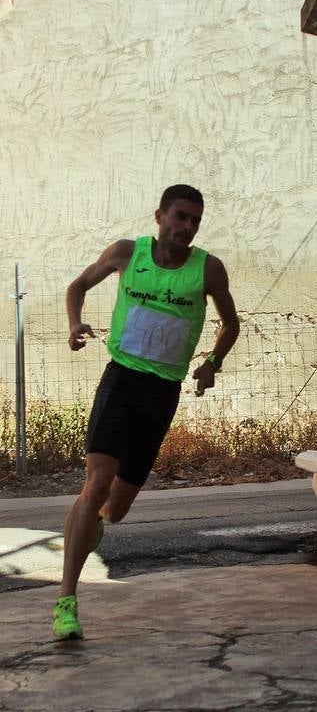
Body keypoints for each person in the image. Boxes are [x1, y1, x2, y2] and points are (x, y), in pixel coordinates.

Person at [52, 184, 240, 640]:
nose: (187, 227)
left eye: (195, 220)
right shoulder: (125, 253)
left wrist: (212, 363)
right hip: (121, 380)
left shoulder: (208, 269)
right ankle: (66, 600)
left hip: (162, 392)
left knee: (116, 509)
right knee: (96, 482)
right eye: (180, 217)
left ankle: (94, 523)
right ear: (159, 216)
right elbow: (78, 285)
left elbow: (231, 323)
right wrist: (75, 323)